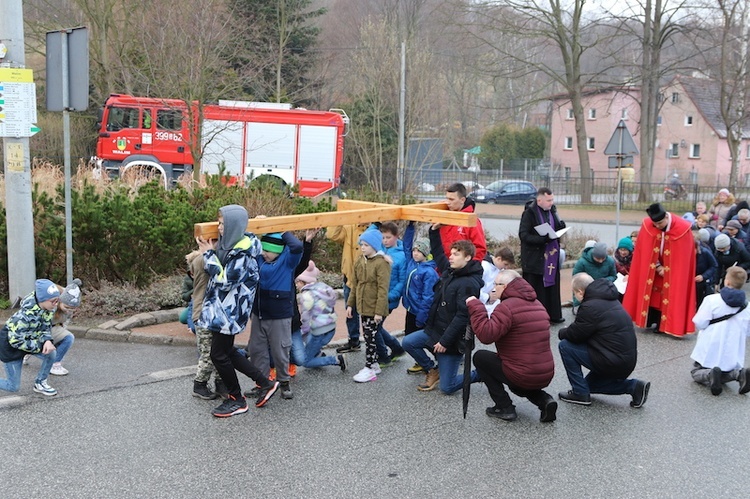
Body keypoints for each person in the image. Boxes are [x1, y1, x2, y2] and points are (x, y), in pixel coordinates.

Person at [197, 205, 279, 417]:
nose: (219, 228)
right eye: (219, 223)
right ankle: (265, 383)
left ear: (234, 226)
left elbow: (224, 281)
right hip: (222, 312)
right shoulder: (232, 245)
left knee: (218, 355)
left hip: (229, 313)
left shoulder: (243, 254)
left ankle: (237, 399)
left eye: (223, 224)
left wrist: (208, 255)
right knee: (228, 352)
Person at [466, 269, 557, 422]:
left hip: (522, 373)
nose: (493, 288)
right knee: (517, 381)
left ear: (507, 286)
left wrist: (476, 307)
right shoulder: (538, 304)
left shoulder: (506, 307)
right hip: (545, 372)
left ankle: (504, 407)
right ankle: (544, 400)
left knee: (481, 357)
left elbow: (486, 335)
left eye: (497, 284)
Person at [401, 232, 483, 394]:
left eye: (456, 254)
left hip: (452, 341)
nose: (451, 257)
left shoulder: (469, 284)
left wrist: (444, 342)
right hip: (435, 332)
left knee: (447, 387)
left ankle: (480, 374)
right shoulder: (451, 271)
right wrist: (433, 230)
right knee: (408, 342)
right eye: (451, 253)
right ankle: (432, 369)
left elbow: (462, 317)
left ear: (467, 258)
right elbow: (438, 252)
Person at [557, 273, 650, 408]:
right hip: (625, 360)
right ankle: (634, 387)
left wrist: (562, 332)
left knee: (565, 346)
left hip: (612, 360)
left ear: (580, 292)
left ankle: (579, 393)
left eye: (574, 293)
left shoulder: (590, 306)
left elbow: (576, 334)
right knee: (589, 385)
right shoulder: (610, 299)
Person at [623, 203, 696, 336]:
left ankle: (667, 325)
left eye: (660, 223)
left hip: (673, 271)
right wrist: (657, 266)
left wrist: (668, 269)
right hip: (654, 269)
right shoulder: (647, 225)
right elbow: (644, 251)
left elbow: (683, 258)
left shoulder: (683, 229)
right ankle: (649, 320)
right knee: (652, 294)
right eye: (655, 224)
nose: (657, 226)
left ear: (667, 218)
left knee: (671, 295)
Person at [248, 231, 303, 400]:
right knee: (257, 351)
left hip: (279, 316)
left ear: (279, 250)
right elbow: (247, 242)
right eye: (263, 249)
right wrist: (258, 229)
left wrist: (282, 230)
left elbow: (297, 246)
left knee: (281, 350)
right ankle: (262, 383)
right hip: (259, 314)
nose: (265, 253)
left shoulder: (287, 261)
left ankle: (284, 383)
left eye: (269, 250)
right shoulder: (259, 258)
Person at [690, 266, 750, 395]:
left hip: (711, 345)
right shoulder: (747, 306)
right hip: (732, 351)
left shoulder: (712, 300)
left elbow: (700, 322)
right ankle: (738, 374)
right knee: (726, 372)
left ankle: (710, 374)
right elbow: (748, 331)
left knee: (696, 372)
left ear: (727, 282)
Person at [0, 279, 61, 396]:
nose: (56, 304)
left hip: (29, 341)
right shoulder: (22, 318)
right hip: (12, 347)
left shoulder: (48, 309)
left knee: (51, 353)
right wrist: (39, 346)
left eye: (57, 300)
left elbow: (45, 326)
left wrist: (47, 340)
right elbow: (16, 342)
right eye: (53, 301)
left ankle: (40, 383)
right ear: (42, 300)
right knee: (13, 386)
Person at [348, 228, 391, 383]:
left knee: (371, 337)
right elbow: (355, 284)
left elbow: (382, 289)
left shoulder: (381, 263)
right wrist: (350, 304)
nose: (363, 247)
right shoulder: (360, 260)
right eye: (362, 244)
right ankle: (373, 364)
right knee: (368, 336)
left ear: (374, 245)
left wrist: (379, 312)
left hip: (374, 308)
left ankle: (369, 367)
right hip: (363, 306)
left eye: (366, 244)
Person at [519, 187, 566, 323]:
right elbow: (523, 235)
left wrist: (561, 227)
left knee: (552, 287)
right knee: (538, 288)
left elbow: (556, 229)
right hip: (535, 259)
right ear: (539, 200)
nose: (551, 203)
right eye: (548, 200)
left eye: (552, 200)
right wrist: (542, 239)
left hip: (551, 256)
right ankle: (537, 317)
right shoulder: (529, 214)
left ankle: (553, 314)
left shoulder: (552, 211)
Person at [401, 222, 439, 375]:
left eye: (419, 251)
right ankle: (421, 361)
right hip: (410, 309)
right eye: (414, 250)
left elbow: (428, 297)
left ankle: (441, 360)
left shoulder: (429, 272)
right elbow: (406, 245)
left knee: (425, 340)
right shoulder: (411, 262)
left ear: (426, 253)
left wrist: (422, 316)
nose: (415, 253)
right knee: (409, 338)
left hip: (421, 313)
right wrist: (410, 227)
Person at [294, 260, 346, 371]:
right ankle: (317, 355)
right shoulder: (323, 288)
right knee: (312, 346)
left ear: (304, 282)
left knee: (305, 361)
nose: (296, 284)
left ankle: (336, 360)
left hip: (318, 330)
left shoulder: (307, 295)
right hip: (331, 326)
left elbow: (305, 317)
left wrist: (301, 332)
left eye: (297, 281)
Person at [189, 244, 225, 400]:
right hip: (203, 313)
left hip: (215, 312)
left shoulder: (210, 256)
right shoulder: (202, 259)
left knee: (219, 352)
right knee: (207, 353)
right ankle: (200, 385)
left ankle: (220, 383)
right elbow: (218, 271)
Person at [326, 223, 369, 354]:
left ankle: (375, 343)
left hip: (365, 280)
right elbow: (332, 235)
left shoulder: (372, 229)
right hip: (349, 277)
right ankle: (354, 340)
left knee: (368, 314)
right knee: (351, 312)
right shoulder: (349, 226)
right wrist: (337, 219)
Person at [375, 222, 407, 367]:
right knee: (377, 327)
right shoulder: (379, 248)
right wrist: (375, 224)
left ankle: (383, 357)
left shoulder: (401, 256)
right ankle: (396, 348)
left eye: (388, 237)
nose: (385, 240)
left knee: (375, 328)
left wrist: (390, 296)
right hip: (376, 296)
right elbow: (362, 239)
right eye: (382, 237)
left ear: (396, 237)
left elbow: (401, 281)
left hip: (388, 299)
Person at [439, 183, 487, 261]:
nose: (448, 202)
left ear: (462, 200)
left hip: (462, 268)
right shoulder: (444, 217)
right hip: (443, 267)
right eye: (447, 199)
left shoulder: (471, 221)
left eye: (451, 199)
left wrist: (467, 267)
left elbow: (480, 249)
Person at [48, 279, 82, 376]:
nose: (69, 311)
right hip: (43, 328)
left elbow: (65, 323)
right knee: (67, 337)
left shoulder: (69, 307)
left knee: (67, 337)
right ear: (59, 302)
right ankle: (53, 363)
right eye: (66, 307)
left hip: (55, 327)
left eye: (72, 309)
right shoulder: (51, 306)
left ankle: (54, 362)